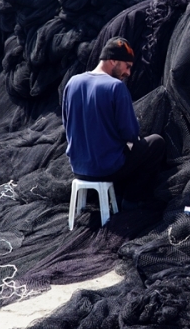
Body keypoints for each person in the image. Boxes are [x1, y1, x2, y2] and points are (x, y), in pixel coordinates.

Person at [62, 36, 165, 205]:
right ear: (112, 61)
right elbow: (130, 133)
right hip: (107, 170)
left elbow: (67, 126)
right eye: (127, 66)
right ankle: (131, 200)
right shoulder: (116, 87)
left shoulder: (72, 83)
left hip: (78, 169)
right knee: (156, 143)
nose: (128, 73)